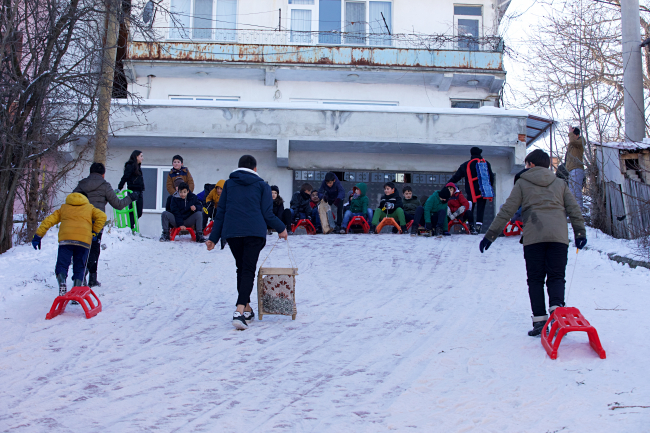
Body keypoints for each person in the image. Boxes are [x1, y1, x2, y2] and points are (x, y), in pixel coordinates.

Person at [479, 149, 587, 336]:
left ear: (532, 164)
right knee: (556, 276)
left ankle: (539, 322)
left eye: (527, 164)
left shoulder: (523, 183)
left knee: (536, 279)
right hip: (558, 238)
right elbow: (574, 209)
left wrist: (490, 235)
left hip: (534, 238)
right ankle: (557, 315)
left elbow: (507, 210)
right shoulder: (560, 183)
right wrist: (579, 233)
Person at [205, 155, 288, 330]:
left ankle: (248, 309)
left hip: (233, 233)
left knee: (241, 269)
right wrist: (281, 228)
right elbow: (267, 213)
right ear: (255, 169)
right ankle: (239, 311)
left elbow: (221, 212)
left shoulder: (229, 184)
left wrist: (213, 237)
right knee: (248, 270)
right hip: (254, 233)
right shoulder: (262, 186)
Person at [73, 162, 138, 287]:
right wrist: (130, 198)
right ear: (103, 174)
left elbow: (72, 200)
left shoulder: (81, 184)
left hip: (81, 221)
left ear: (90, 172)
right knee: (94, 248)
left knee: (82, 248)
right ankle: (89, 277)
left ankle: (82, 275)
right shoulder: (104, 185)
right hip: (96, 221)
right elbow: (118, 205)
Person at [32, 192, 107, 296]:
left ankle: (62, 282)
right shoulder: (90, 208)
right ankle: (76, 292)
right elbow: (102, 216)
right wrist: (94, 232)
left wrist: (38, 236)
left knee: (62, 264)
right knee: (79, 266)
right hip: (83, 241)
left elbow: (48, 221)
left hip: (66, 240)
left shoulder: (64, 208)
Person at [448, 147, 494, 235]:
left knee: (470, 208)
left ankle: (470, 226)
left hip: (471, 191)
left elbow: (456, 177)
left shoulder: (466, 164)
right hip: (483, 191)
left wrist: (448, 185)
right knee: (481, 208)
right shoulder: (486, 163)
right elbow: (491, 177)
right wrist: (489, 188)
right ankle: (478, 226)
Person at [117, 150, 145, 227]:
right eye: (141, 156)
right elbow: (125, 177)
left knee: (139, 212)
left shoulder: (138, 166)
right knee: (133, 211)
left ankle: (130, 225)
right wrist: (120, 188)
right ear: (136, 157)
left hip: (139, 191)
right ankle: (130, 227)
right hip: (133, 191)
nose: (142, 158)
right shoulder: (130, 166)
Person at [566, 127, 585, 210]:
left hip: (577, 169)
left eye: (572, 135)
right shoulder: (572, 145)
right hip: (571, 170)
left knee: (576, 192)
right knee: (571, 192)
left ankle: (579, 212)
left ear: (577, 135)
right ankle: (574, 212)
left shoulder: (581, 141)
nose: (570, 137)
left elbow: (573, 142)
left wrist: (570, 133)